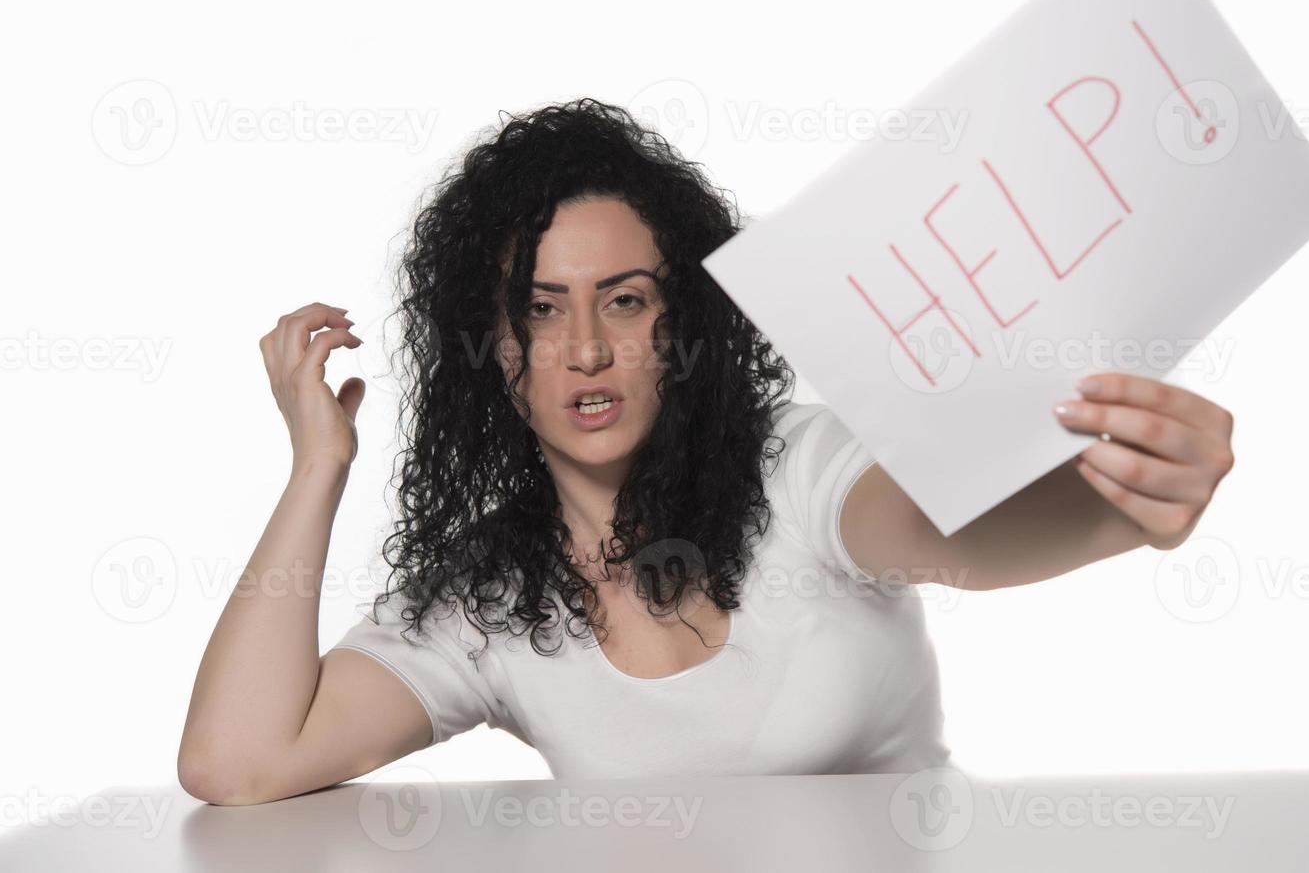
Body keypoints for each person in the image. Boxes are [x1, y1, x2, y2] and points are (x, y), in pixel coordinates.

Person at [177, 99, 1236, 805]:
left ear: (680, 322)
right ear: (491, 348)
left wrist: (1121, 506)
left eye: (624, 301)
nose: (587, 348)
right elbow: (238, 760)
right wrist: (317, 467)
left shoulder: (800, 467)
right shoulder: (484, 598)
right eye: (540, 311)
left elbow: (945, 530)